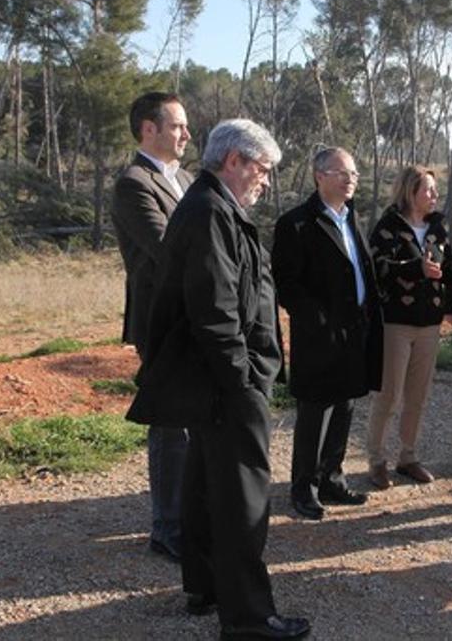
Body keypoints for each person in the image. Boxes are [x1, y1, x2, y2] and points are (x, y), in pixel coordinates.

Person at [126, 119, 308, 638]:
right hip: (226, 383)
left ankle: (205, 587)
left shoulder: (215, 206)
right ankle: (250, 617)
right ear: (234, 162)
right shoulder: (209, 212)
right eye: (263, 169)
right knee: (242, 501)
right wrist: (244, 381)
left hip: (217, 381)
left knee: (207, 488)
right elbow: (215, 311)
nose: (266, 181)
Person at [273, 147, 383, 520]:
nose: (351, 179)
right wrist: (318, 322)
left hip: (355, 332)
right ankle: (303, 488)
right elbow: (286, 284)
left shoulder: (351, 218)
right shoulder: (297, 223)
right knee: (314, 413)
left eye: (354, 173)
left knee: (345, 407)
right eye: (342, 173)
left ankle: (332, 479)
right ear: (320, 175)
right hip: (319, 337)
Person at [365, 166, 452, 489]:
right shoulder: (388, 228)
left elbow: (443, 270)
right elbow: (378, 269)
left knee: (417, 395)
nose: (435, 195)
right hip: (396, 323)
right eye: (429, 190)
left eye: (436, 190)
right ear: (410, 192)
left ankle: (408, 456)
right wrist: (415, 268)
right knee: (388, 395)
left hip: (428, 324)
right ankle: (377, 460)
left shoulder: (437, 229)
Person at [112, 91, 193, 563]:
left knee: (192, 422)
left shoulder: (184, 178)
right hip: (162, 321)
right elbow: (168, 249)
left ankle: (188, 514)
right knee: (170, 424)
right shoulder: (133, 184)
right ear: (149, 128)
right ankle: (167, 527)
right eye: (178, 125)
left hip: (195, 315)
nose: (186, 134)